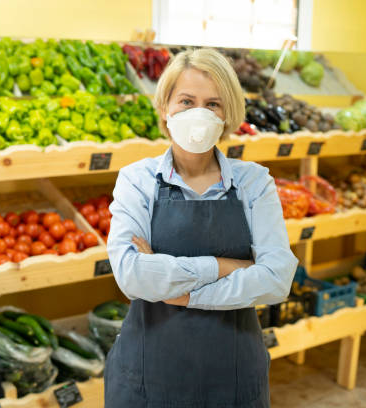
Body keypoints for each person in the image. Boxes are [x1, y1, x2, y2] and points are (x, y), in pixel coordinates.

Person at [104, 48, 298, 408]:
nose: (199, 114)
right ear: (165, 107)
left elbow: (276, 279)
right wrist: (226, 267)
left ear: (228, 115)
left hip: (234, 371)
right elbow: (132, 276)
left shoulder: (254, 183)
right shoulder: (137, 180)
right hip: (149, 372)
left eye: (213, 104)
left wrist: (182, 292)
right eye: (186, 101)